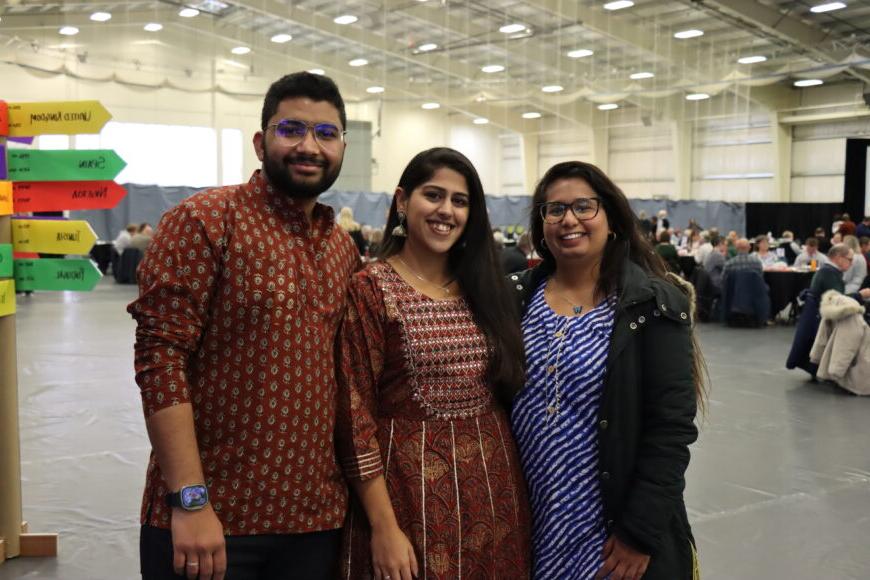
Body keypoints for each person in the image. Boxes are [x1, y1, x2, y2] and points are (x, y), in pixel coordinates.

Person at [128, 72, 359, 580]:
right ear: (261, 142)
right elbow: (160, 360)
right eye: (291, 129)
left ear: (343, 146)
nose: (308, 146)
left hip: (314, 524)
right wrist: (189, 501)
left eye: (326, 134)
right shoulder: (205, 220)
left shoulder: (342, 248)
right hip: (211, 524)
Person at [335, 147, 531, 580]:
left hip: (493, 494)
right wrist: (383, 526)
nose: (446, 211)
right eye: (434, 195)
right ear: (403, 201)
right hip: (408, 497)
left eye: (459, 201)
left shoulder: (486, 289)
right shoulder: (371, 290)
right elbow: (354, 416)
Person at [509, 161, 705, 579]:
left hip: (611, 532)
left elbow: (671, 428)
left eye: (584, 206)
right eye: (555, 209)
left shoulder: (653, 306)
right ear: (541, 224)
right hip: (532, 523)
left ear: (612, 219)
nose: (569, 220)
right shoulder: (515, 298)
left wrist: (640, 531)